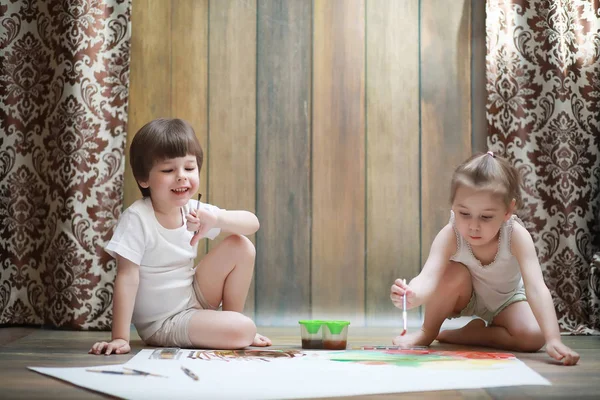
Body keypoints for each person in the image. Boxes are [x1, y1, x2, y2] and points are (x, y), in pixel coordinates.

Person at [90, 118, 271, 355]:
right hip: (165, 322)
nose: (181, 176)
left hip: (193, 294)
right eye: (168, 170)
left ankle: (229, 321)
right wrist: (120, 338)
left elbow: (252, 223)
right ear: (144, 179)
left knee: (241, 245)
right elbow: (127, 277)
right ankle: (233, 329)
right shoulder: (137, 218)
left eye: (189, 167)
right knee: (245, 329)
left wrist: (216, 220)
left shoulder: (192, 209)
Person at [390, 151, 580, 366]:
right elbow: (429, 277)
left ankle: (467, 335)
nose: (473, 225)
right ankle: (428, 331)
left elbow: (536, 287)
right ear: (454, 206)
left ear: (508, 210)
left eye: (486, 217)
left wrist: (553, 339)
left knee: (533, 336)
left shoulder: (516, 236)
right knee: (452, 272)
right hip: (464, 295)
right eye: (464, 213)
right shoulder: (451, 234)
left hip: (505, 299)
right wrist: (412, 295)